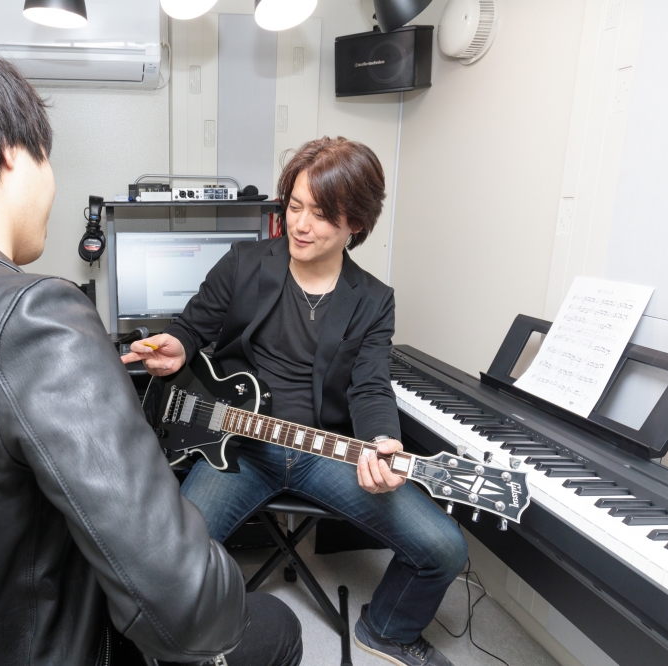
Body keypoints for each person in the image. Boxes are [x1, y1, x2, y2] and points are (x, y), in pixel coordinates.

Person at [0, 42, 301, 666]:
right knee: (276, 625)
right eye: (47, 157)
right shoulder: (36, 315)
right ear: (11, 153)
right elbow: (191, 611)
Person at [122, 137, 468, 666]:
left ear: (356, 223)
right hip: (235, 446)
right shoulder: (244, 263)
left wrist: (382, 440)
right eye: (295, 206)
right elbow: (192, 327)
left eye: (321, 214)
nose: (300, 225)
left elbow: (370, 385)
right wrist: (178, 346)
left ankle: (387, 630)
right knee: (168, 566)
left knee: (445, 548)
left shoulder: (374, 301)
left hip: (324, 452)